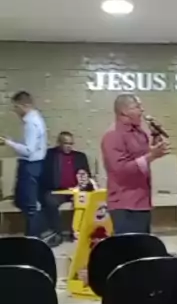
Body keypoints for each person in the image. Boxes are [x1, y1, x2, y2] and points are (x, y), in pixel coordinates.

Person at [101, 94, 169, 234]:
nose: (142, 110)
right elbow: (120, 170)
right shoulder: (113, 135)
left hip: (142, 201)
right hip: (125, 204)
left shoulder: (139, 133)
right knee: (129, 246)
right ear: (124, 111)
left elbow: (141, 156)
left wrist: (155, 138)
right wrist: (151, 156)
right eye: (137, 107)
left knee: (143, 244)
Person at [0, 91, 47, 237]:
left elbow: (28, 150)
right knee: (23, 201)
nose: (15, 111)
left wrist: (8, 143)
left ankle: (34, 238)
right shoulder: (36, 118)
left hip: (30, 167)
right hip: (34, 165)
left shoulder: (30, 123)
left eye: (16, 107)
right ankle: (36, 233)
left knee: (29, 206)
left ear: (24, 105)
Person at [40, 131, 91, 246]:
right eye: (66, 143)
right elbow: (44, 175)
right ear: (59, 143)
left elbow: (87, 176)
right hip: (58, 191)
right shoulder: (50, 155)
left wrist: (83, 184)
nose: (69, 146)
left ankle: (77, 233)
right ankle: (57, 234)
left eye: (71, 144)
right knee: (50, 200)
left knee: (83, 201)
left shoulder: (80, 157)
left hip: (76, 191)